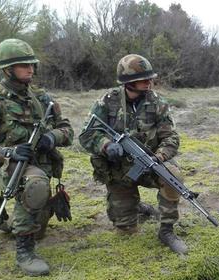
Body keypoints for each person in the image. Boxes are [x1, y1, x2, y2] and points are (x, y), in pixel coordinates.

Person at [0, 38, 73, 276]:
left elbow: (68, 130)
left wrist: (52, 138)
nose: (31, 69)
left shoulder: (43, 98)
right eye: (24, 65)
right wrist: (9, 151)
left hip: (42, 167)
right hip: (9, 168)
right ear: (7, 69)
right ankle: (24, 252)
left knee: (38, 225)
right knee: (34, 186)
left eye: (32, 64)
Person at [79, 54, 187, 255]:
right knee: (126, 230)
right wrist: (105, 145)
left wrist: (159, 157)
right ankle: (138, 208)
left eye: (150, 78)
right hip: (118, 171)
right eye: (144, 79)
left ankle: (167, 231)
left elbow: (171, 137)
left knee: (173, 176)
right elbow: (86, 135)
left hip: (149, 165)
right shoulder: (106, 102)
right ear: (128, 81)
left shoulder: (158, 103)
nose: (149, 82)